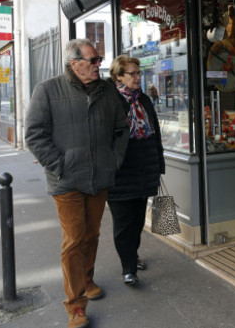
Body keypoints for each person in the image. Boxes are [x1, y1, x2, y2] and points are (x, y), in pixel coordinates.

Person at [25, 39, 129, 328]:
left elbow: (122, 128)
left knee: (91, 234)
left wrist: (113, 160)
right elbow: (34, 135)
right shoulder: (47, 90)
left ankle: (87, 278)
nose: (99, 65)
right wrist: (60, 166)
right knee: (73, 240)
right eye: (93, 60)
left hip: (99, 177)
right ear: (74, 63)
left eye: (99, 60)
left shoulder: (107, 90)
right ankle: (75, 305)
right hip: (66, 180)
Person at [107, 55, 164, 286]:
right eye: (132, 73)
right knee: (123, 224)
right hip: (120, 173)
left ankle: (133, 255)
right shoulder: (110, 101)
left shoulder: (144, 100)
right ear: (118, 75)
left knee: (139, 221)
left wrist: (159, 165)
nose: (137, 77)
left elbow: (156, 134)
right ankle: (128, 268)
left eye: (139, 73)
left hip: (144, 170)